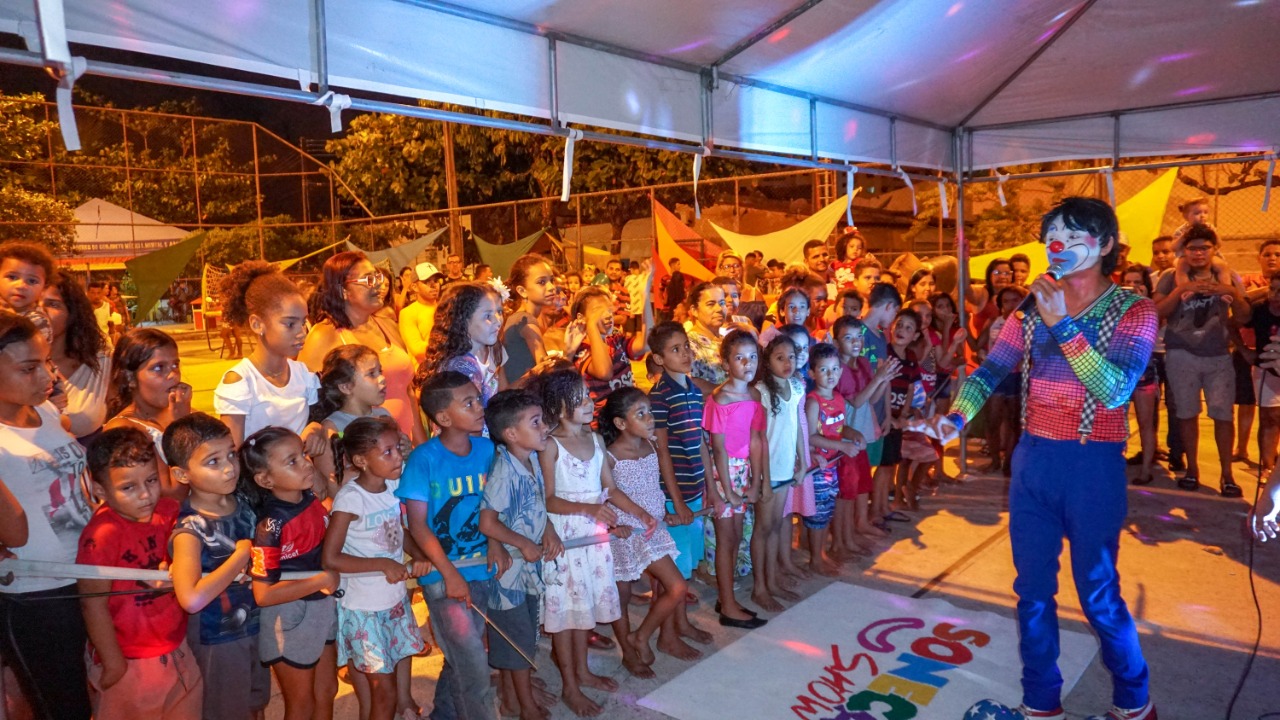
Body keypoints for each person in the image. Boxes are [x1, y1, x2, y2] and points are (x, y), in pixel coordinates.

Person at [928, 197, 1158, 720]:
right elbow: (990, 371)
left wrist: (1063, 325)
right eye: (1051, 233)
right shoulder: (1029, 310)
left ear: (1101, 245)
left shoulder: (1132, 310)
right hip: (1033, 461)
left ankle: (1135, 702)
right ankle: (1041, 703)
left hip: (1092, 465)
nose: (1056, 243)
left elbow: (1116, 390)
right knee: (1031, 592)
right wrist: (955, 419)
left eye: (1070, 234)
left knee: (1098, 595)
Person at [534, 367, 654, 716]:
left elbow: (611, 490)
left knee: (582, 608)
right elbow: (548, 499)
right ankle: (570, 686)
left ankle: (583, 671)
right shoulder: (550, 446)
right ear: (558, 407)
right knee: (565, 616)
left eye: (588, 396)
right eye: (580, 399)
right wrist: (590, 508)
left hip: (593, 539)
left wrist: (640, 513)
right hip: (566, 538)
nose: (589, 403)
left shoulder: (595, 440)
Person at [0, 311, 94, 720]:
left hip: (90, 579)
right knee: (63, 706)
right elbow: (15, 532)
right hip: (37, 596)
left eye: (46, 363)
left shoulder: (48, 413)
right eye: (29, 368)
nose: (47, 378)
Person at [78, 427, 202, 720]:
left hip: (176, 647)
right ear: (99, 490)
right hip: (128, 660)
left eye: (151, 480)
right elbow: (91, 601)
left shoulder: (170, 511)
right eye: (128, 487)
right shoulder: (102, 534)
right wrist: (113, 663)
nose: (145, 494)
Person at [400, 370, 500, 720]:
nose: (479, 407)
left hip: (482, 567)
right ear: (443, 418)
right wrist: (449, 573)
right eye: (468, 402)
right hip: (444, 579)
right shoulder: (423, 460)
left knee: (463, 656)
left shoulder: (488, 449)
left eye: (478, 398)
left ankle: (443, 713)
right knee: (474, 668)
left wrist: (498, 544)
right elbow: (417, 526)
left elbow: (494, 505)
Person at [164, 412, 273, 720]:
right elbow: (191, 598)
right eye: (212, 462)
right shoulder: (191, 529)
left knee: (256, 702)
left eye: (230, 455)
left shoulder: (242, 503)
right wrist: (241, 556)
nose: (229, 468)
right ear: (182, 474)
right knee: (227, 710)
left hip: (254, 625)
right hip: (219, 639)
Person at [322, 417, 428, 720]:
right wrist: (382, 564)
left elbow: (398, 531)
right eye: (388, 452)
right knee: (385, 692)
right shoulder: (350, 499)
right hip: (363, 609)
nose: (397, 457)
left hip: (393, 601)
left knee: (394, 671)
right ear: (360, 461)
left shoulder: (393, 485)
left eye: (397, 449)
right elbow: (331, 558)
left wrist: (418, 555)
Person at [241, 426, 341, 720]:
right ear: (265, 479)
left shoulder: (309, 497)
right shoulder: (270, 526)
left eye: (303, 455)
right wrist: (319, 580)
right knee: (301, 704)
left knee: (327, 690)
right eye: (292, 461)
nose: (306, 464)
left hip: (321, 607)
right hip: (289, 616)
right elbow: (263, 593)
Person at [213, 261, 333, 490]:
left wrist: (315, 428)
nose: (301, 333)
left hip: (303, 489)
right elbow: (233, 453)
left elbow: (314, 422)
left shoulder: (302, 375)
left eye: (303, 323)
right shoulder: (240, 382)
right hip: (262, 496)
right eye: (289, 324)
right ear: (258, 324)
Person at [477, 389, 560, 720]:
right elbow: (487, 522)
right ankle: (525, 706)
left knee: (523, 637)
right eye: (536, 422)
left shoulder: (532, 461)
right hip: (508, 573)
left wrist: (548, 531)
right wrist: (522, 542)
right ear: (511, 434)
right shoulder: (504, 471)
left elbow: (538, 508)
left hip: (528, 571)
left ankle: (512, 698)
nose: (544, 428)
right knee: (516, 642)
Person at [1153, 223, 1249, 496]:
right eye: (1192, 248)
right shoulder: (1172, 276)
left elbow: (1243, 316)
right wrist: (1181, 291)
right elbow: (1156, 310)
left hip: (1218, 355)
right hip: (1181, 353)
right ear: (1184, 251)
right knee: (1186, 413)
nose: (1198, 253)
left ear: (1214, 249)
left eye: (1204, 248)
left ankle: (1227, 475)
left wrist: (1226, 292)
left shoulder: (1227, 275)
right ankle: (1192, 470)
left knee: (1222, 415)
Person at [600, 388, 687, 677]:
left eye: (649, 411)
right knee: (621, 597)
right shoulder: (610, 456)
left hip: (652, 528)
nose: (650, 418)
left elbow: (656, 484)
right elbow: (603, 495)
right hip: (626, 534)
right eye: (641, 414)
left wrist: (667, 513)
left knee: (676, 587)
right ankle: (628, 652)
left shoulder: (651, 445)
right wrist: (613, 525)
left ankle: (641, 635)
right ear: (620, 423)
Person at [300, 251, 426, 444]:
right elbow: (309, 402)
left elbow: (408, 393)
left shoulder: (387, 325)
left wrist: (420, 446)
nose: (378, 284)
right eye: (368, 279)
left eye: (377, 276)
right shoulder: (324, 335)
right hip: (362, 454)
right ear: (343, 290)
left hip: (403, 447)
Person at [646, 322, 714, 659]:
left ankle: (682, 624)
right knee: (671, 572)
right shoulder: (660, 396)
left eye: (686, 347)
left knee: (684, 569)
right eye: (675, 350)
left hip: (694, 488)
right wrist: (676, 500)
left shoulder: (691, 388)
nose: (685, 354)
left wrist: (710, 486)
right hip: (674, 495)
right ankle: (667, 636)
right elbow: (661, 451)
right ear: (658, 358)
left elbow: (700, 441)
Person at [701, 329, 769, 626]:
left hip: (743, 472)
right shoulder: (720, 399)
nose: (748, 363)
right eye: (739, 358)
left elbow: (756, 439)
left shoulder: (754, 395)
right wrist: (726, 490)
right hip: (724, 473)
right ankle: (728, 606)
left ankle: (726, 597)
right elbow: (717, 448)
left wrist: (757, 482)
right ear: (726, 364)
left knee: (737, 537)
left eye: (753, 357)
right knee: (726, 540)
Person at [753, 333, 809, 600]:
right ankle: (760, 587)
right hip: (768, 472)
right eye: (780, 358)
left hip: (786, 469)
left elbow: (797, 428)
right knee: (762, 529)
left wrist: (802, 461)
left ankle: (772, 581)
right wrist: (762, 478)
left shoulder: (797, 387)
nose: (787, 362)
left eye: (791, 357)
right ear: (768, 361)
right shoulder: (762, 392)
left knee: (775, 526)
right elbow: (760, 437)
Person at [106, 328, 191, 501]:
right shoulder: (124, 430)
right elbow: (172, 495)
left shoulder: (179, 411)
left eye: (175, 365)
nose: (173, 376)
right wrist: (180, 428)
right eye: (159, 368)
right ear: (130, 378)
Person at [415, 281, 508, 422]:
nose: (498, 321)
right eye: (487, 316)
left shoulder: (493, 347)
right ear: (462, 320)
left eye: (499, 312)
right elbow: (470, 421)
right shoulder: (459, 367)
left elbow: (502, 395)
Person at [44, 271, 111, 442]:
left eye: (52, 304)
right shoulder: (7, 366)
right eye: (32, 303)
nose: (40, 311)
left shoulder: (101, 360)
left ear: (72, 313)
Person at [1122, 267, 1160, 486]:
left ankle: (1146, 469)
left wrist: (1142, 301)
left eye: (1137, 282)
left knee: (1146, 422)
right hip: (1121, 370)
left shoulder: (1151, 307)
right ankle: (1118, 462)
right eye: (1128, 282)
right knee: (1118, 421)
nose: (1133, 286)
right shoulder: (1116, 307)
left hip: (1144, 370)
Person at [503, 254, 558, 385]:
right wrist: (571, 351)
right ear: (522, 291)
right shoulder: (526, 321)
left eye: (552, 280)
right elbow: (547, 373)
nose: (551, 287)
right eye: (542, 282)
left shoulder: (519, 318)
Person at [398, 262, 444, 365]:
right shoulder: (408, 313)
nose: (433, 285)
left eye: (436, 281)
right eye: (427, 282)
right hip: (425, 373)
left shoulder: (446, 307)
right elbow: (418, 350)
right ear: (414, 287)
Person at [664, 257, 687, 322]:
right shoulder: (677, 276)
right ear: (673, 265)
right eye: (678, 264)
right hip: (676, 307)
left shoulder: (674, 279)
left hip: (672, 308)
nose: (680, 266)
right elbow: (679, 292)